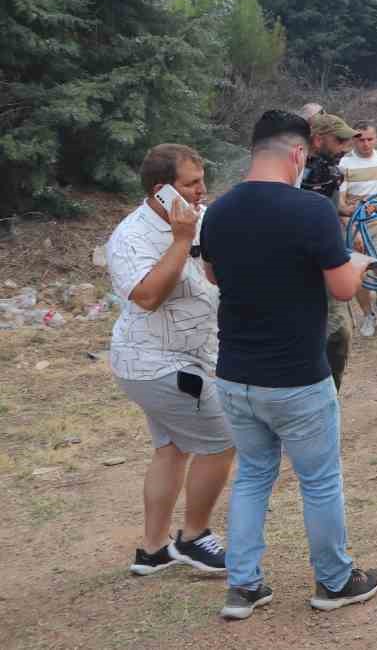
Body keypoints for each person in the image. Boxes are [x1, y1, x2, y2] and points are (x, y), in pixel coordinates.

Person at [201, 110, 377, 620]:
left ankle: (243, 588)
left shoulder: (217, 212)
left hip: (235, 376)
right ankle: (334, 581)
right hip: (298, 380)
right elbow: (343, 288)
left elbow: (213, 274)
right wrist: (361, 261)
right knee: (320, 481)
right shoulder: (311, 212)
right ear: (299, 154)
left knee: (253, 477)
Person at [106, 144, 234, 577]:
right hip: (156, 363)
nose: (202, 190)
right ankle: (194, 537)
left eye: (202, 180)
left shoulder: (199, 217)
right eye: (191, 183)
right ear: (161, 190)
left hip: (189, 356)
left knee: (173, 449)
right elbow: (146, 296)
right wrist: (181, 240)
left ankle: (153, 550)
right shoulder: (131, 237)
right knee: (223, 440)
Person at [300, 112, 356, 389]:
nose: (344, 148)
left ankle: (327, 393)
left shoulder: (330, 173)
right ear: (318, 140)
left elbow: (327, 209)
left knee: (337, 333)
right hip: (310, 265)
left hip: (330, 257)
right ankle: (323, 392)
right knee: (334, 333)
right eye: (339, 141)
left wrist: (347, 211)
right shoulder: (302, 174)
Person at [340, 121, 377, 339]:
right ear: (353, 140)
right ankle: (368, 315)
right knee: (359, 275)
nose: (365, 144)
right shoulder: (344, 164)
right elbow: (341, 201)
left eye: (369, 139)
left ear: (376, 138)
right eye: (360, 139)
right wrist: (350, 228)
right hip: (354, 226)